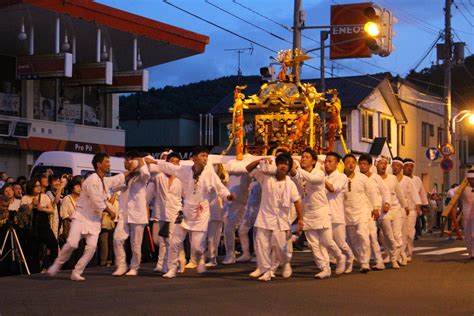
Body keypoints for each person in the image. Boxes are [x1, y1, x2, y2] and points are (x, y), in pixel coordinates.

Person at [146, 146, 235, 279]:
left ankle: (200, 259)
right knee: (175, 241)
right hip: (185, 211)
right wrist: (154, 162)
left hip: (201, 213)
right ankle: (172, 269)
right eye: (203, 155)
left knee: (197, 247)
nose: (206, 159)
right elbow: (169, 167)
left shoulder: (210, 173)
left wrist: (228, 196)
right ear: (194, 158)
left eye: (207, 156)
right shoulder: (184, 170)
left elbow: (220, 188)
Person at [47, 152, 130, 281]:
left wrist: (132, 171)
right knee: (72, 243)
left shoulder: (104, 180)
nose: (109, 164)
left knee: (91, 248)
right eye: (107, 161)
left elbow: (117, 179)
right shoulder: (92, 180)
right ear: (98, 164)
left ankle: (77, 271)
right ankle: (57, 264)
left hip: (94, 220)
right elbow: (98, 203)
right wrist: (111, 212)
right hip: (81, 216)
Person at [245, 153, 303, 281]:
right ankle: (266, 270)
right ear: (276, 165)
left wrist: (300, 219)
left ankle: (286, 262)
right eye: (281, 163)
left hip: (281, 219)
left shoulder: (290, 184)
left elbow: (297, 201)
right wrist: (260, 160)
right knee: (261, 245)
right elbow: (248, 169)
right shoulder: (266, 178)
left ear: (289, 167)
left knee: (279, 245)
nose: (283, 166)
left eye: (286, 164)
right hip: (264, 217)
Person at [290, 148, 346, 279]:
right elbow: (294, 175)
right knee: (313, 244)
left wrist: (297, 168)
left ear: (314, 161)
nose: (303, 159)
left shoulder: (319, 174)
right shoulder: (300, 173)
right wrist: (290, 163)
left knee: (326, 242)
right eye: (302, 157)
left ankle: (340, 256)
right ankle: (324, 268)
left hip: (321, 211)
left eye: (307, 157)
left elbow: (310, 178)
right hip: (308, 213)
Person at [147, 152, 186, 273]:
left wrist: (184, 211)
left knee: (172, 241)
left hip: (176, 212)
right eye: (172, 161)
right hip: (162, 213)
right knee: (161, 240)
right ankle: (164, 264)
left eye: (177, 162)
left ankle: (172, 266)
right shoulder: (158, 177)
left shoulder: (181, 179)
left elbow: (186, 195)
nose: (174, 164)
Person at [112, 152, 150, 277]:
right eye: (125, 160)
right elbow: (113, 187)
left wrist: (141, 162)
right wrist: (127, 175)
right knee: (117, 239)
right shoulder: (124, 176)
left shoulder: (141, 177)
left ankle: (134, 267)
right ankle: (121, 265)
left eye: (128, 160)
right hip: (124, 214)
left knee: (135, 245)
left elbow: (146, 173)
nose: (125, 162)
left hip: (138, 215)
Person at [342, 154, 380, 273]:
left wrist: (376, 207)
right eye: (348, 162)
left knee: (363, 235)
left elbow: (372, 192)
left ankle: (365, 263)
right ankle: (359, 258)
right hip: (346, 212)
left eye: (353, 162)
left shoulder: (362, 178)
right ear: (343, 164)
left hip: (362, 210)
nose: (351, 164)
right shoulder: (340, 178)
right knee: (352, 239)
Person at [357, 153, 390, 270]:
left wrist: (385, 203)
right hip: (359, 211)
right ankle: (364, 260)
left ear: (370, 165)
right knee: (360, 236)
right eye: (361, 164)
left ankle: (379, 261)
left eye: (365, 164)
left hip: (372, 211)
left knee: (372, 236)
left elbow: (385, 191)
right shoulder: (357, 177)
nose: (363, 166)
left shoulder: (375, 178)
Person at [324, 152, 354, 273]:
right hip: (324, 215)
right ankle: (328, 266)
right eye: (326, 161)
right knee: (326, 242)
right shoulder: (324, 177)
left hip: (336, 215)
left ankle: (350, 258)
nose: (327, 164)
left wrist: (321, 179)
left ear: (337, 164)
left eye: (330, 161)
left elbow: (332, 189)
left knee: (341, 243)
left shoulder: (341, 177)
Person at [21, 178, 58, 273]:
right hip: (32, 228)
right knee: (34, 250)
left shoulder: (44, 196)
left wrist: (42, 209)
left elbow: (51, 210)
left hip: (44, 226)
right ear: (31, 187)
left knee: (53, 245)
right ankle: (35, 270)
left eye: (39, 185)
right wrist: (32, 205)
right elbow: (23, 213)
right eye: (36, 186)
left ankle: (52, 266)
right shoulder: (25, 198)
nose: (39, 187)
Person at [376, 156, 407, 269]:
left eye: (385, 163)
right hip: (383, 211)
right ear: (376, 165)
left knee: (397, 234)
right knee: (386, 236)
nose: (383, 165)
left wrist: (405, 206)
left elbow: (399, 193)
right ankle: (393, 254)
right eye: (380, 163)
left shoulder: (392, 178)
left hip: (396, 209)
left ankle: (398, 256)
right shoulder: (374, 179)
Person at [392, 157, 421, 265]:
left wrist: (418, 204)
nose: (395, 167)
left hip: (410, 209)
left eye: (397, 165)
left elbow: (415, 193)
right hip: (396, 208)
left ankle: (407, 253)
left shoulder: (410, 180)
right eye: (393, 165)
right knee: (398, 233)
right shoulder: (390, 178)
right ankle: (399, 254)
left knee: (409, 234)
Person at [222, 174, 251, 264]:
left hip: (242, 209)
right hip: (231, 208)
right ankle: (232, 255)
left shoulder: (249, 189)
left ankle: (235, 255)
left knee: (237, 230)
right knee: (229, 231)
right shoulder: (234, 186)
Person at [206, 164, 229, 267]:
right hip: (206, 211)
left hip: (216, 211)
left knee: (213, 237)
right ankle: (204, 257)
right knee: (206, 237)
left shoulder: (222, 179)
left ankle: (212, 258)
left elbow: (223, 193)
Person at [236, 178, 262, 262]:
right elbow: (250, 200)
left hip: (258, 213)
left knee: (257, 235)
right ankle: (246, 254)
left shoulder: (263, 183)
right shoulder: (252, 183)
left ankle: (259, 256)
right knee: (242, 231)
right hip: (249, 212)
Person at [457, 170, 474, 258]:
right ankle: (470, 253)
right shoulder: (463, 189)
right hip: (467, 215)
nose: (472, 181)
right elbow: (452, 193)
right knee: (468, 235)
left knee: (473, 234)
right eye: (470, 179)